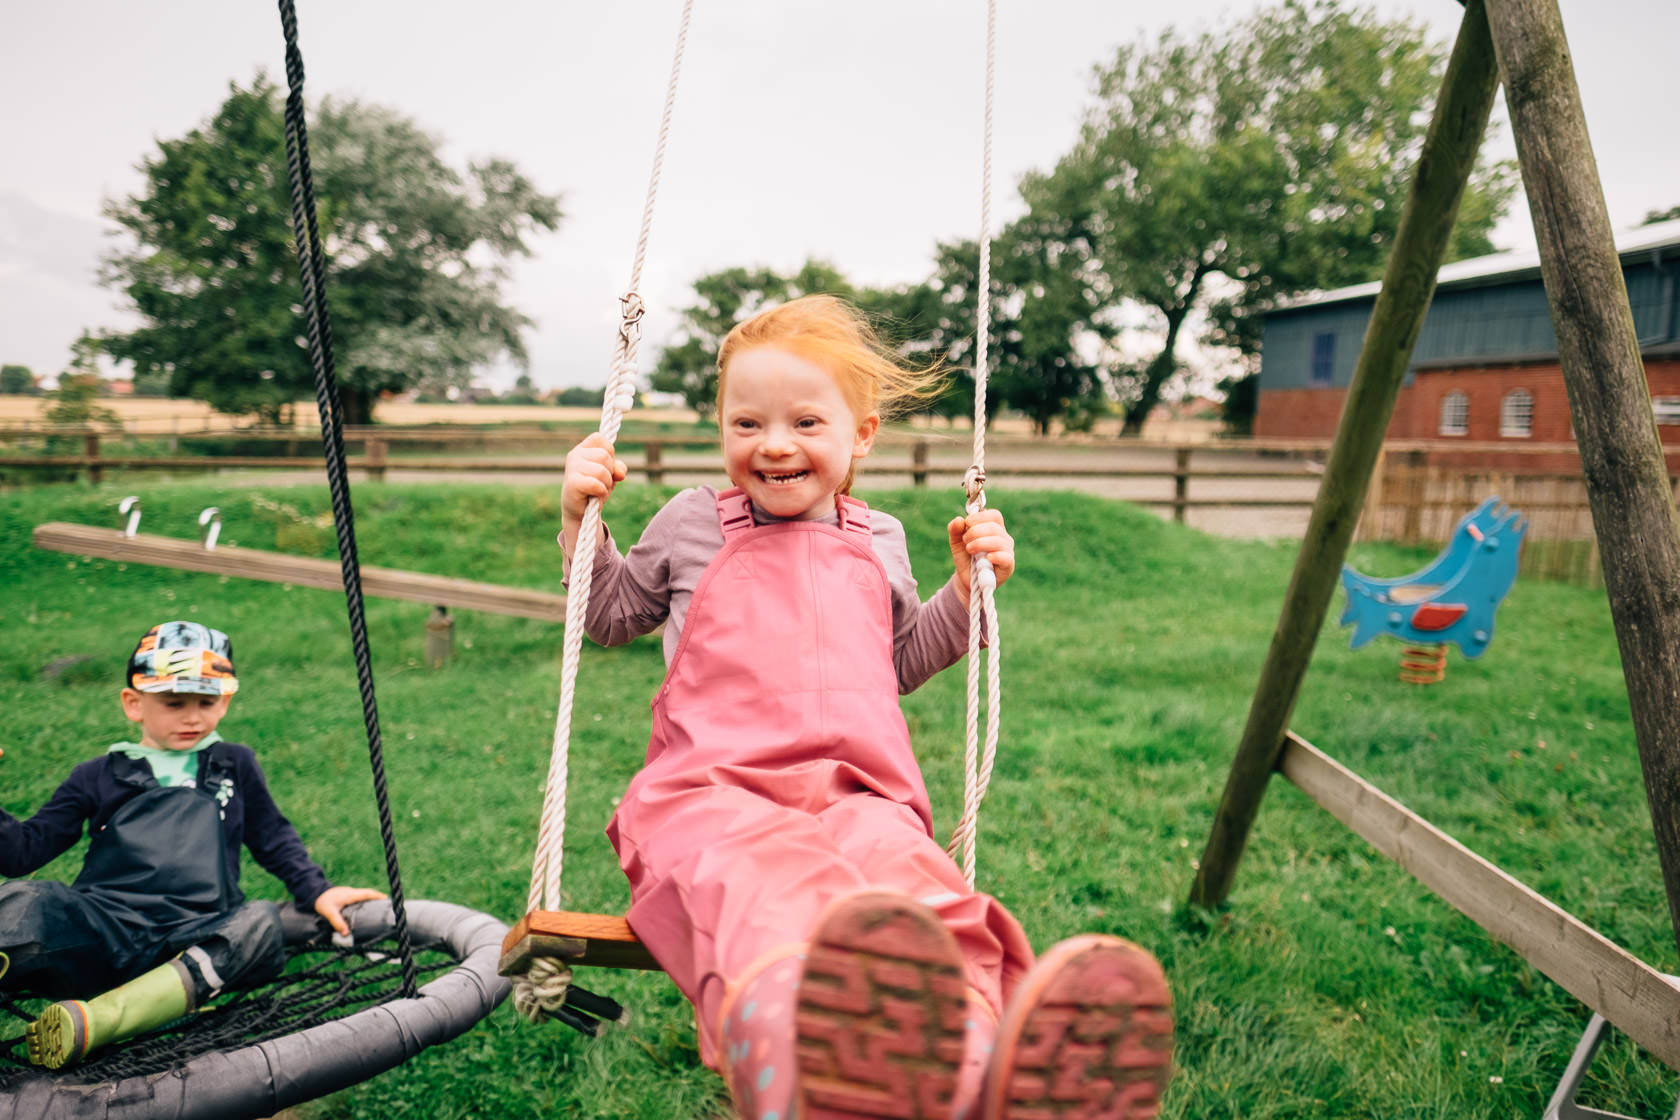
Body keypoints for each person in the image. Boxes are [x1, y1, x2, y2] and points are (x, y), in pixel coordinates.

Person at [560, 295, 1174, 1120]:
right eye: (746, 424)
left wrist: (965, 592)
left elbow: (899, 661)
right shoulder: (691, 523)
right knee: (766, 885)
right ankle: (803, 1072)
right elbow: (606, 615)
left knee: (920, 898)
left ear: (863, 435)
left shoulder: (878, 538)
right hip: (712, 796)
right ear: (722, 428)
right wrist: (581, 520)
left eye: (806, 422)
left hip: (861, 796)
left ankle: (987, 1069)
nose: (774, 444)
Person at [0, 620, 386, 1070]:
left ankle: (97, 1021)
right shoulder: (98, 775)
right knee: (32, 901)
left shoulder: (232, 764)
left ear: (225, 701)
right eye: (174, 702)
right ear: (134, 704)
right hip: (106, 926)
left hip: (194, 936)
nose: (192, 717)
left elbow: (272, 836)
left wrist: (317, 889)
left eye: (207, 702)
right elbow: (23, 852)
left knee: (260, 923)